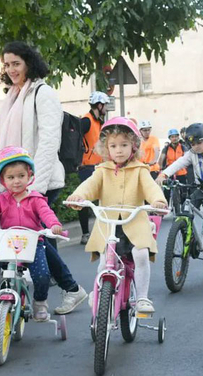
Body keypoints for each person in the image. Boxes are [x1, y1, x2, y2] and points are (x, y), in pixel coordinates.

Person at [0, 41, 87, 315]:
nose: (11, 69)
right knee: (34, 241)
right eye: (7, 64)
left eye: (16, 63)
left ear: (29, 63)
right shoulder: (13, 94)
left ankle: (71, 289)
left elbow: (49, 141)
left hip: (37, 181)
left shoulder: (43, 93)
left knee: (35, 240)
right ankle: (63, 290)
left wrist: (36, 185)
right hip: (16, 180)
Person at [66, 117, 168, 314]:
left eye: (124, 145)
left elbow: (151, 188)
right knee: (106, 261)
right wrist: (78, 196)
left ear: (134, 146)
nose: (119, 150)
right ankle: (99, 292)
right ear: (106, 149)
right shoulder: (102, 170)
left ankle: (142, 298)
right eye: (113, 146)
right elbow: (90, 186)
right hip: (108, 224)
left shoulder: (140, 170)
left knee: (141, 255)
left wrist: (158, 201)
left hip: (134, 223)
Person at [0, 147, 62, 321]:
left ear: (29, 176)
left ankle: (40, 302)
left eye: (21, 176)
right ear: (2, 180)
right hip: (7, 242)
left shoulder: (36, 199)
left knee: (42, 273)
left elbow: (47, 214)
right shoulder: (0, 199)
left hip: (32, 243)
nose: (16, 181)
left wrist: (54, 225)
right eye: (11, 177)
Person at [155, 123, 203, 208]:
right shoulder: (191, 153)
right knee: (186, 211)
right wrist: (163, 174)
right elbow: (178, 163)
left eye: (199, 142)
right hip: (202, 191)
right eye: (193, 144)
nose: (196, 146)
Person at [77, 91, 110, 245]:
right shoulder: (87, 121)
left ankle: (103, 229)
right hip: (86, 166)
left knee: (103, 197)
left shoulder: (99, 122)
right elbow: (76, 138)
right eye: (105, 105)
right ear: (99, 105)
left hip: (98, 166)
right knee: (85, 200)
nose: (107, 108)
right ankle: (85, 233)